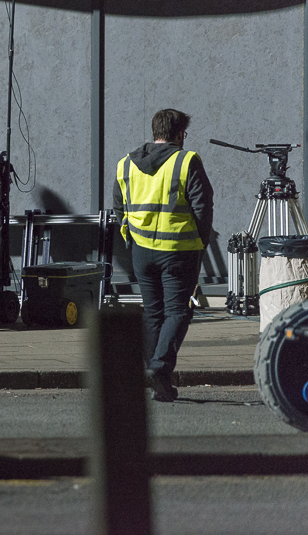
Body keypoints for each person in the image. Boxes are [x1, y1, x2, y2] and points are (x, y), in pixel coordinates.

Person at [113, 108, 214, 402]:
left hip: (141, 252)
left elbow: (120, 207)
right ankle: (159, 368)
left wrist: (129, 236)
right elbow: (202, 205)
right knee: (179, 312)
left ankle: (159, 380)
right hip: (179, 251)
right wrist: (201, 241)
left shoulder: (125, 164)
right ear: (179, 134)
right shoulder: (186, 161)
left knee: (154, 312)